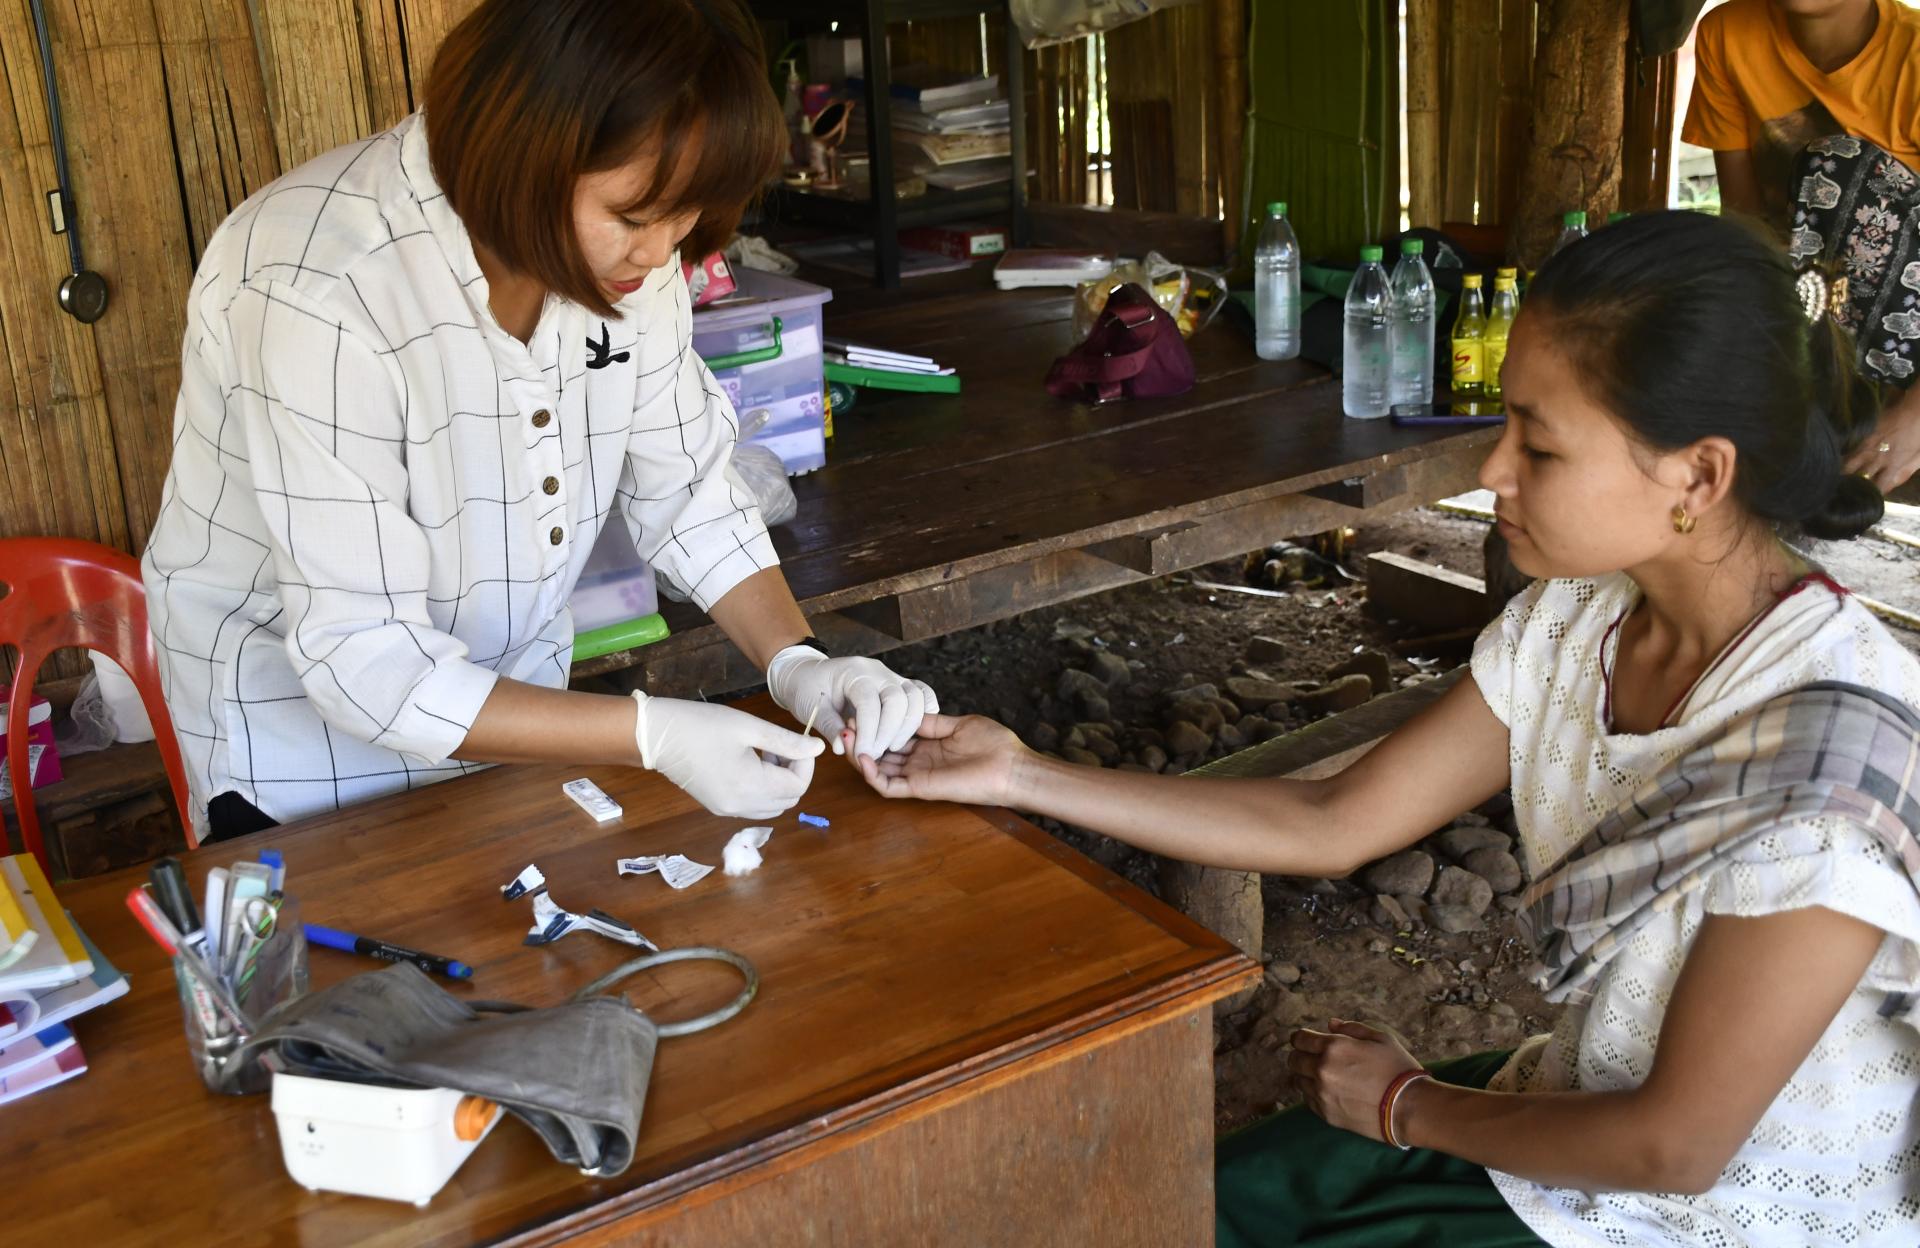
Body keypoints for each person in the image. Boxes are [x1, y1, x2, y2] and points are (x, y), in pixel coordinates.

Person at [859, 213, 1920, 1245]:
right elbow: (1334, 817)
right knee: (1178, 1204)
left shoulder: (1827, 754)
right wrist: (1023, 775)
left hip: (1723, 1215)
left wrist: (1406, 1107)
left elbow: (1676, 1149)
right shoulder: (1583, 619)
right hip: (1573, 1124)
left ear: (1698, 475)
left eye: (1537, 448)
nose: (1490, 472)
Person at [141, 0, 935, 842]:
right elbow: (363, 658)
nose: (662, 252)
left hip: (514, 719)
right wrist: (651, 734)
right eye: (633, 217)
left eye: (686, 218)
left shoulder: (639, 261)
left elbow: (690, 492)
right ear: (519, 156)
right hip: (302, 764)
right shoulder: (318, 287)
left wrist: (799, 664)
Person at [1683, 0, 1920, 489]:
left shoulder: (1912, 55)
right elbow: (1745, 227)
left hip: (1905, 341)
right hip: (1808, 316)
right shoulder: (1729, 34)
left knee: (1839, 162)